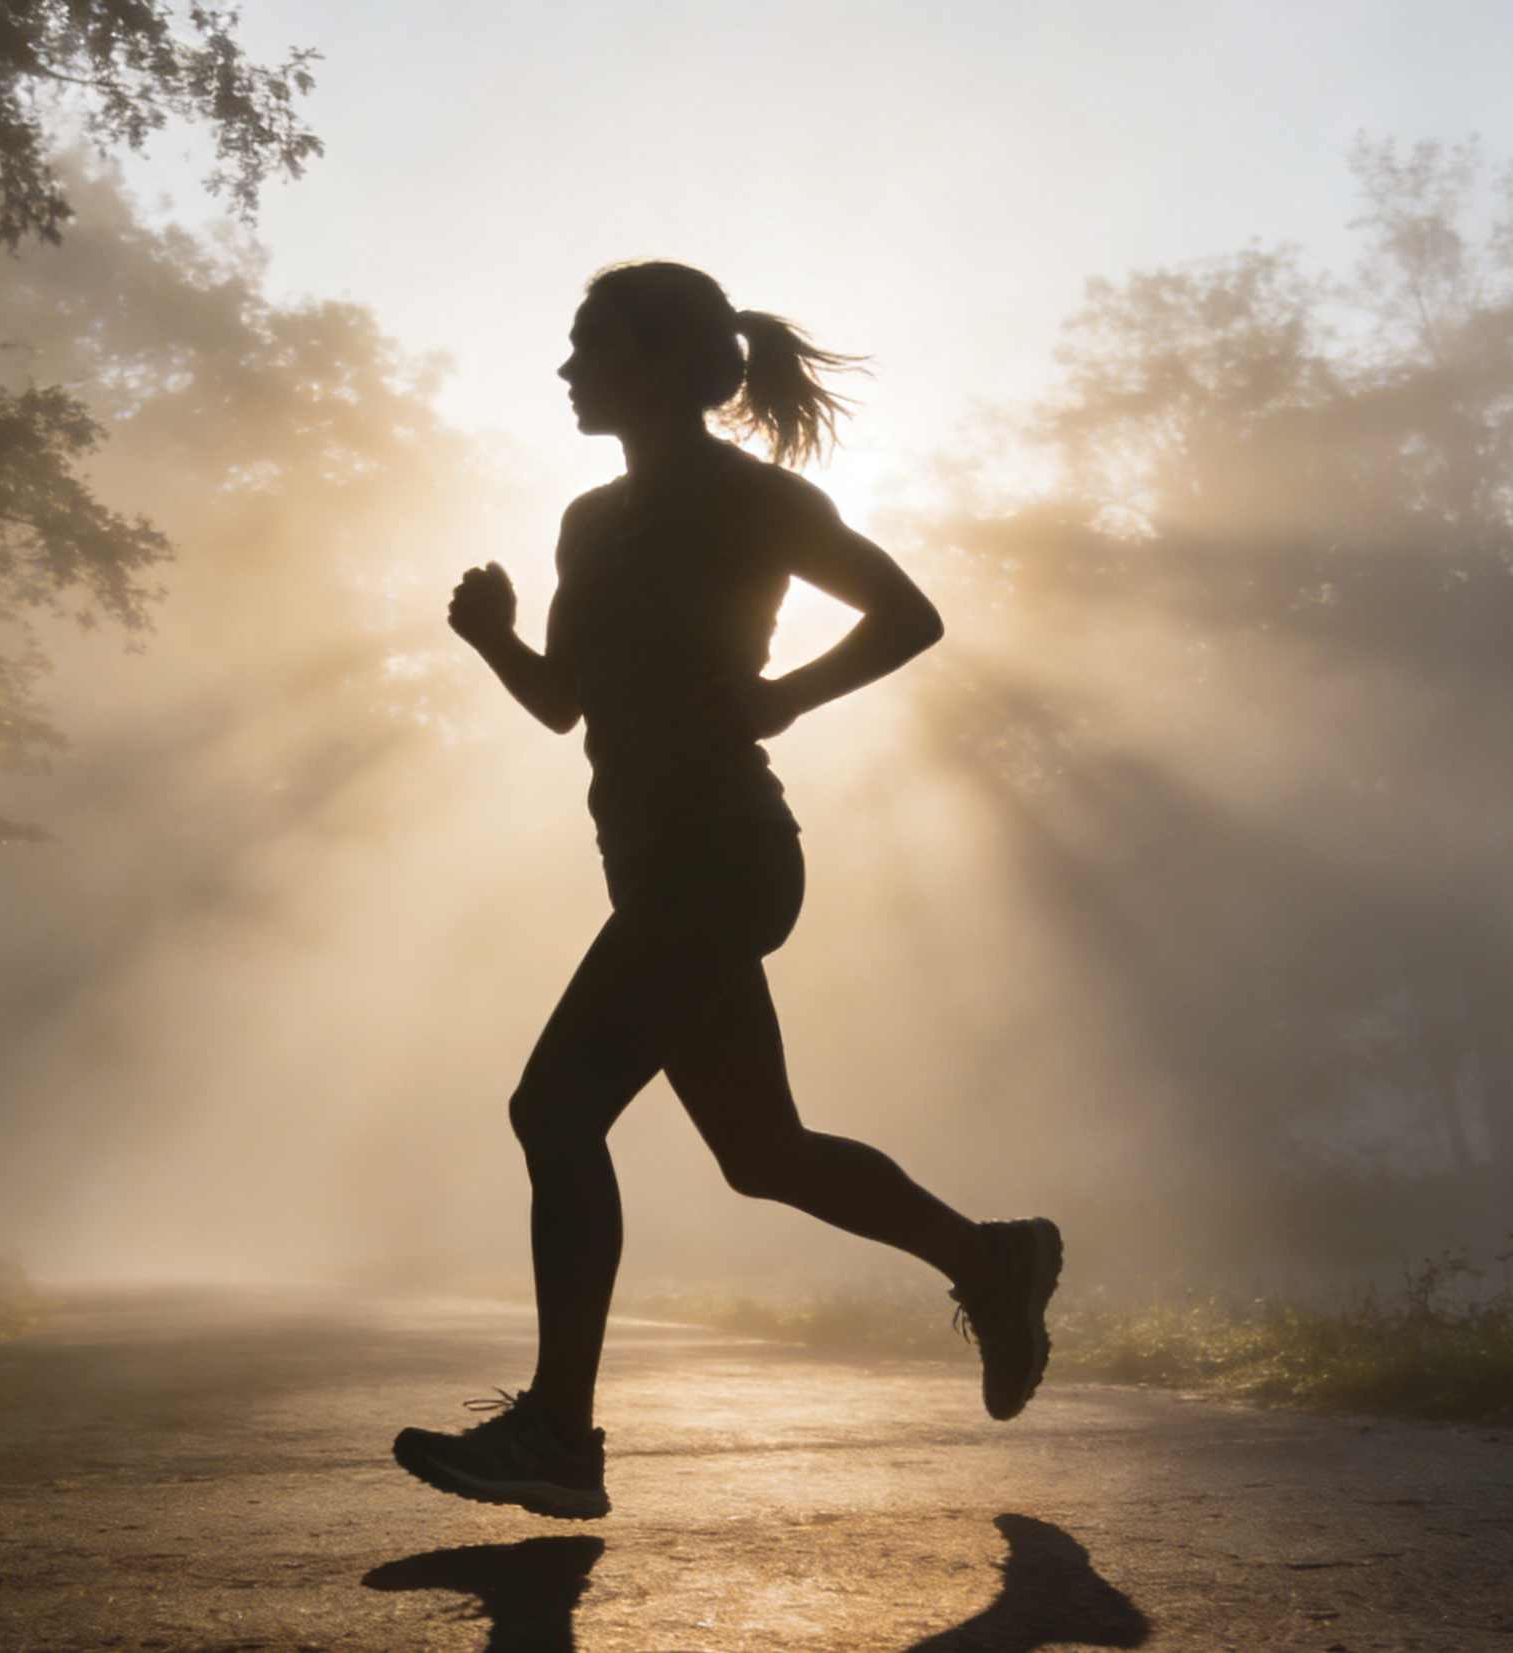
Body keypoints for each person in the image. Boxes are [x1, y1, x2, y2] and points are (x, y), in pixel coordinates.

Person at [392, 261, 1061, 1521]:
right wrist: (491, 641)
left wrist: (783, 696)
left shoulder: (757, 501)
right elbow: (565, 707)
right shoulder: (588, 522)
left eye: (591, 344)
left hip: (727, 854)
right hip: (654, 864)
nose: (567, 368)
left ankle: (558, 1435)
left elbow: (909, 616)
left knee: (554, 1109)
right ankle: (994, 1255)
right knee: (762, 1153)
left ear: (666, 365)